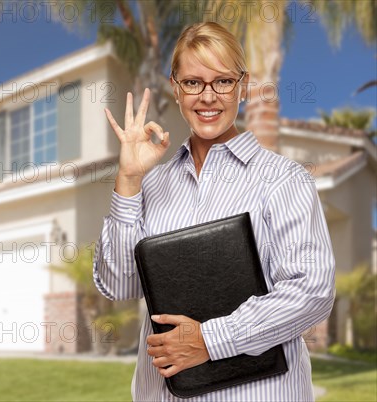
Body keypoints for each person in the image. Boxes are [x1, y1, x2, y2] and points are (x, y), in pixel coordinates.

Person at [92, 21, 335, 401]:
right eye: (193, 82)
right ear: (175, 87)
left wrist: (209, 340)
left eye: (222, 81)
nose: (208, 97)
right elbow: (122, 285)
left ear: (242, 85)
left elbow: (312, 291)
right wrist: (127, 179)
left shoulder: (283, 180)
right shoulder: (151, 185)